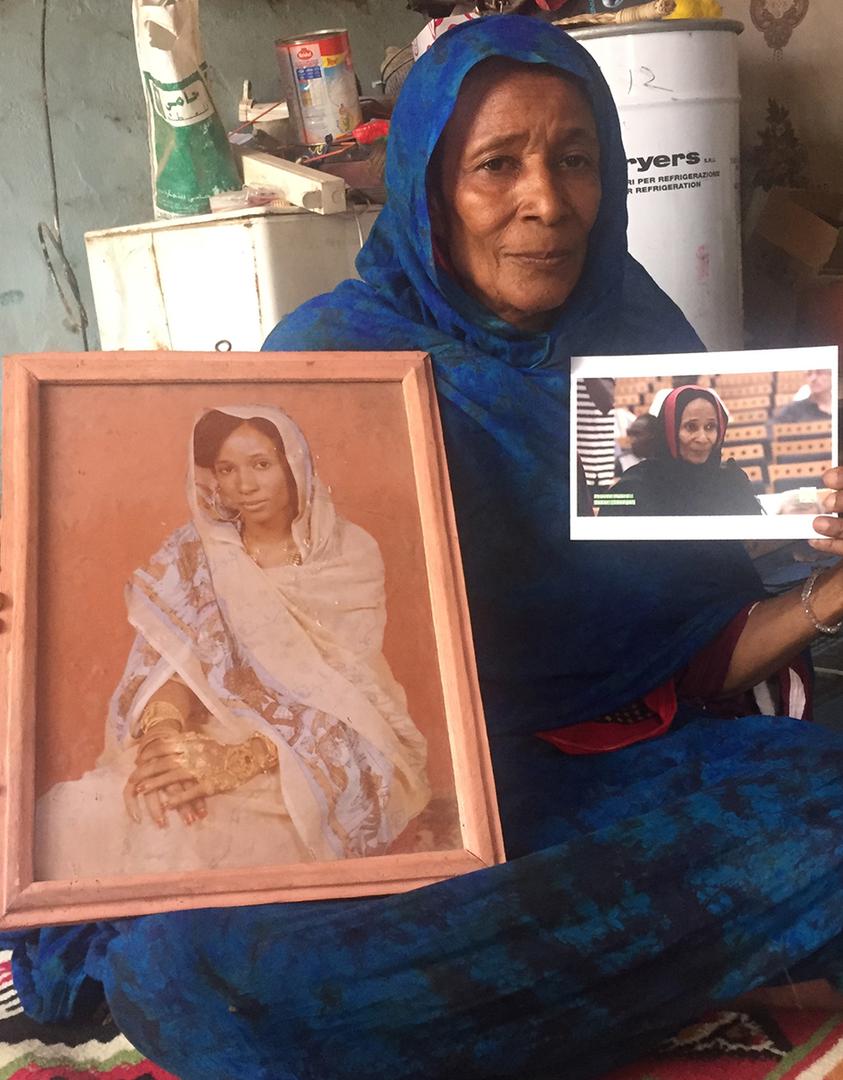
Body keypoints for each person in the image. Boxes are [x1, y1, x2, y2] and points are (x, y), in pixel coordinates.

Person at [7, 18, 843, 1080]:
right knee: (197, 970)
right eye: (497, 164)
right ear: (429, 187)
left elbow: (692, 651)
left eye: (576, 158)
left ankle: (573, 984)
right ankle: (687, 956)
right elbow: (242, 642)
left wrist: (828, 589)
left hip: (630, 779)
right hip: (401, 804)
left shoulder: (641, 339)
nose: (548, 201)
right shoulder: (326, 369)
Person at [34, 405, 430, 879]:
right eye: (227, 469)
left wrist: (239, 760)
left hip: (320, 746)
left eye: (261, 464)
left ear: (293, 464)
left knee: (194, 839)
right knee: (79, 816)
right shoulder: (195, 549)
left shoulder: (348, 552)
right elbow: (172, 662)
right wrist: (166, 739)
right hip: (209, 726)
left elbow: (349, 689)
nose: (245, 484)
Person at [599, 384, 763, 516]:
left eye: (710, 427)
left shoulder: (733, 483)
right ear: (669, 430)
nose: (702, 438)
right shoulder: (633, 486)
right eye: (691, 427)